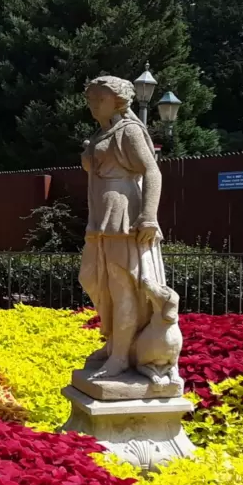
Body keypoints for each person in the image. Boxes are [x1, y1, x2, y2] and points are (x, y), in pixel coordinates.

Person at [78, 75, 166, 380]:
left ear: (117, 101)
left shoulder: (129, 131)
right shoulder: (103, 132)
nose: (92, 104)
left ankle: (119, 357)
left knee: (122, 287)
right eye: (90, 99)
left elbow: (152, 170)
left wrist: (149, 216)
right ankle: (116, 340)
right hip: (101, 216)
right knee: (93, 279)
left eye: (98, 99)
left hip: (123, 215)